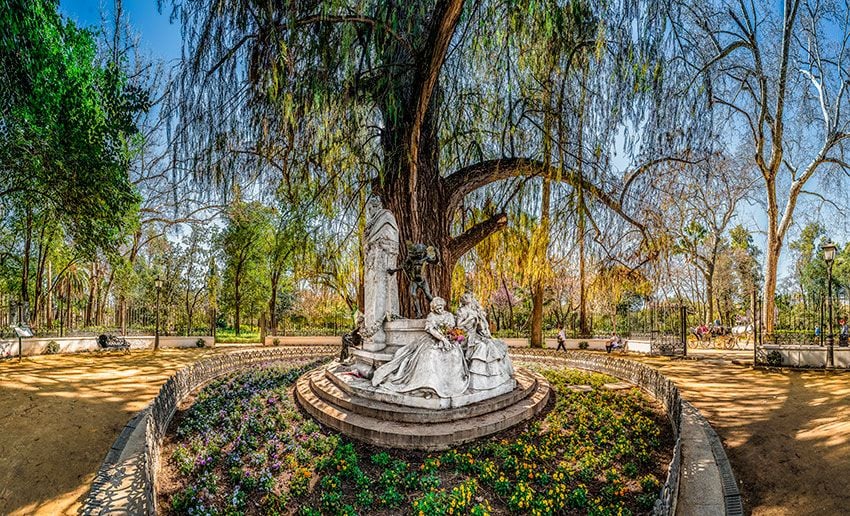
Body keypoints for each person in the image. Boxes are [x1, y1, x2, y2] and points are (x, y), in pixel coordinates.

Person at [371, 297, 469, 397]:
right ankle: (428, 387)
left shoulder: (449, 315)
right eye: (437, 308)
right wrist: (442, 339)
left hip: (449, 340)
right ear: (434, 309)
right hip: (433, 339)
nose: (440, 310)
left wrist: (449, 339)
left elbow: (452, 329)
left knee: (455, 353)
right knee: (430, 354)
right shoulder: (431, 316)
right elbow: (430, 329)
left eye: (441, 307)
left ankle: (450, 385)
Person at [455, 293, 514, 391]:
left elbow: (481, 327)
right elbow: (458, 326)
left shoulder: (475, 311)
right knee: (481, 346)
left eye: (467, 296)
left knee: (491, 344)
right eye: (463, 297)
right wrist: (469, 319)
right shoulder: (461, 311)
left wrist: (481, 325)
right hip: (466, 336)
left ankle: (493, 377)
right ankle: (476, 379)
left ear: (471, 298)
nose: (465, 298)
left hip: (476, 335)